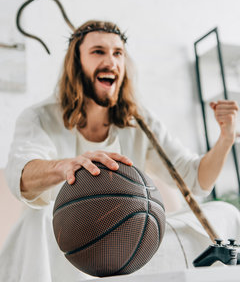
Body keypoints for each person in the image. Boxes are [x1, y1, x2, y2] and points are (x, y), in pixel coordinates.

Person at [1, 20, 240, 282]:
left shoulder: (139, 120)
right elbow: (21, 175)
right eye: (98, 51)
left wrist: (225, 139)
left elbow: (196, 180)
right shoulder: (38, 117)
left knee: (225, 213)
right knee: (38, 218)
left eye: (118, 53)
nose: (111, 61)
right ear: (76, 63)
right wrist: (64, 166)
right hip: (66, 240)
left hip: (129, 238)